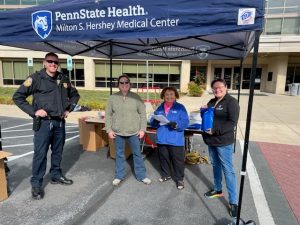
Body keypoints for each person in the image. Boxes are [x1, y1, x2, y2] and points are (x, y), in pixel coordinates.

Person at [13, 52, 80, 200]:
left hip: (59, 122)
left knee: (58, 152)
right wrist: (34, 111)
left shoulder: (63, 78)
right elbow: (18, 97)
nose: (53, 64)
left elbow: (75, 95)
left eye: (56, 62)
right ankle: (36, 184)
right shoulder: (35, 78)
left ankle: (56, 175)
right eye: (50, 61)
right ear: (44, 62)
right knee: (40, 154)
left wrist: (69, 108)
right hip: (43, 124)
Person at [201, 78, 239, 218]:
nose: (217, 90)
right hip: (211, 141)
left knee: (228, 170)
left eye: (220, 87)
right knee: (215, 166)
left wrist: (215, 130)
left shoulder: (231, 102)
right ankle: (217, 189)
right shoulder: (211, 102)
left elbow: (232, 123)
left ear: (226, 87)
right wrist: (203, 111)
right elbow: (206, 119)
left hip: (223, 142)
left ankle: (233, 202)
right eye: (214, 88)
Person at [105, 75, 151, 186]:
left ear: (130, 84)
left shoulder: (136, 97)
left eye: (126, 82)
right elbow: (108, 115)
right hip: (118, 132)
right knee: (119, 154)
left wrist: (142, 130)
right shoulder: (112, 98)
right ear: (118, 85)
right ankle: (119, 176)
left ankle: (142, 176)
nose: (124, 84)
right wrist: (109, 130)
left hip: (134, 132)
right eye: (122, 82)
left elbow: (143, 115)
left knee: (137, 154)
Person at [150, 87, 189, 190]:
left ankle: (179, 179)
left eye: (171, 94)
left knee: (177, 160)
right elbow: (153, 121)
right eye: (167, 94)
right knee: (164, 158)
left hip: (175, 139)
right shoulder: (159, 108)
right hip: (162, 138)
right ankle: (166, 175)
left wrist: (176, 125)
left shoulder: (180, 107)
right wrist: (155, 121)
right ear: (163, 96)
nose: (169, 96)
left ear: (175, 95)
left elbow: (185, 122)